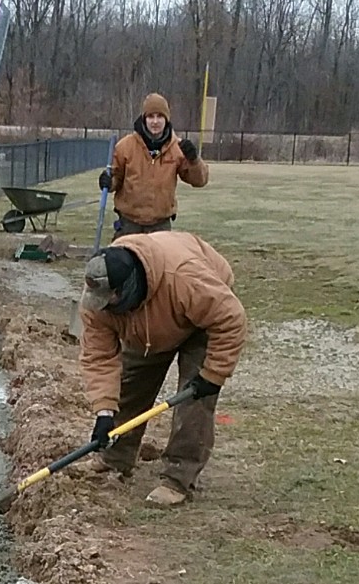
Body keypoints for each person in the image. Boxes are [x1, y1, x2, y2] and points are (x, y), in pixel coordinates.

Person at [79, 230, 246, 507]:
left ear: (126, 289)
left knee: (194, 401)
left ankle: (178, 477)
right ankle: (116, 459)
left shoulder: (185, 279)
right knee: (130, 386)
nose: (102, 307)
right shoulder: (97, 300)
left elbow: (231, 319)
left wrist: (213, 375)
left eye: (109, 301)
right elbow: (99, 357)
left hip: (202, 320)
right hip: (147, 326)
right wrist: (104, 411)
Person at [100, 93, 208, 235]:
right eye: (151, 116)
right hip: (129, 225)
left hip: (160, 226)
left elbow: (200, 181)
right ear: (144, 119)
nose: (155, 121)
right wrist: (108, 181)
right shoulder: (125, 146)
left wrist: (194, 160)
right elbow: (116, 178)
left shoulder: (177, 148)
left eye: (160, 116)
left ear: (166, 119)